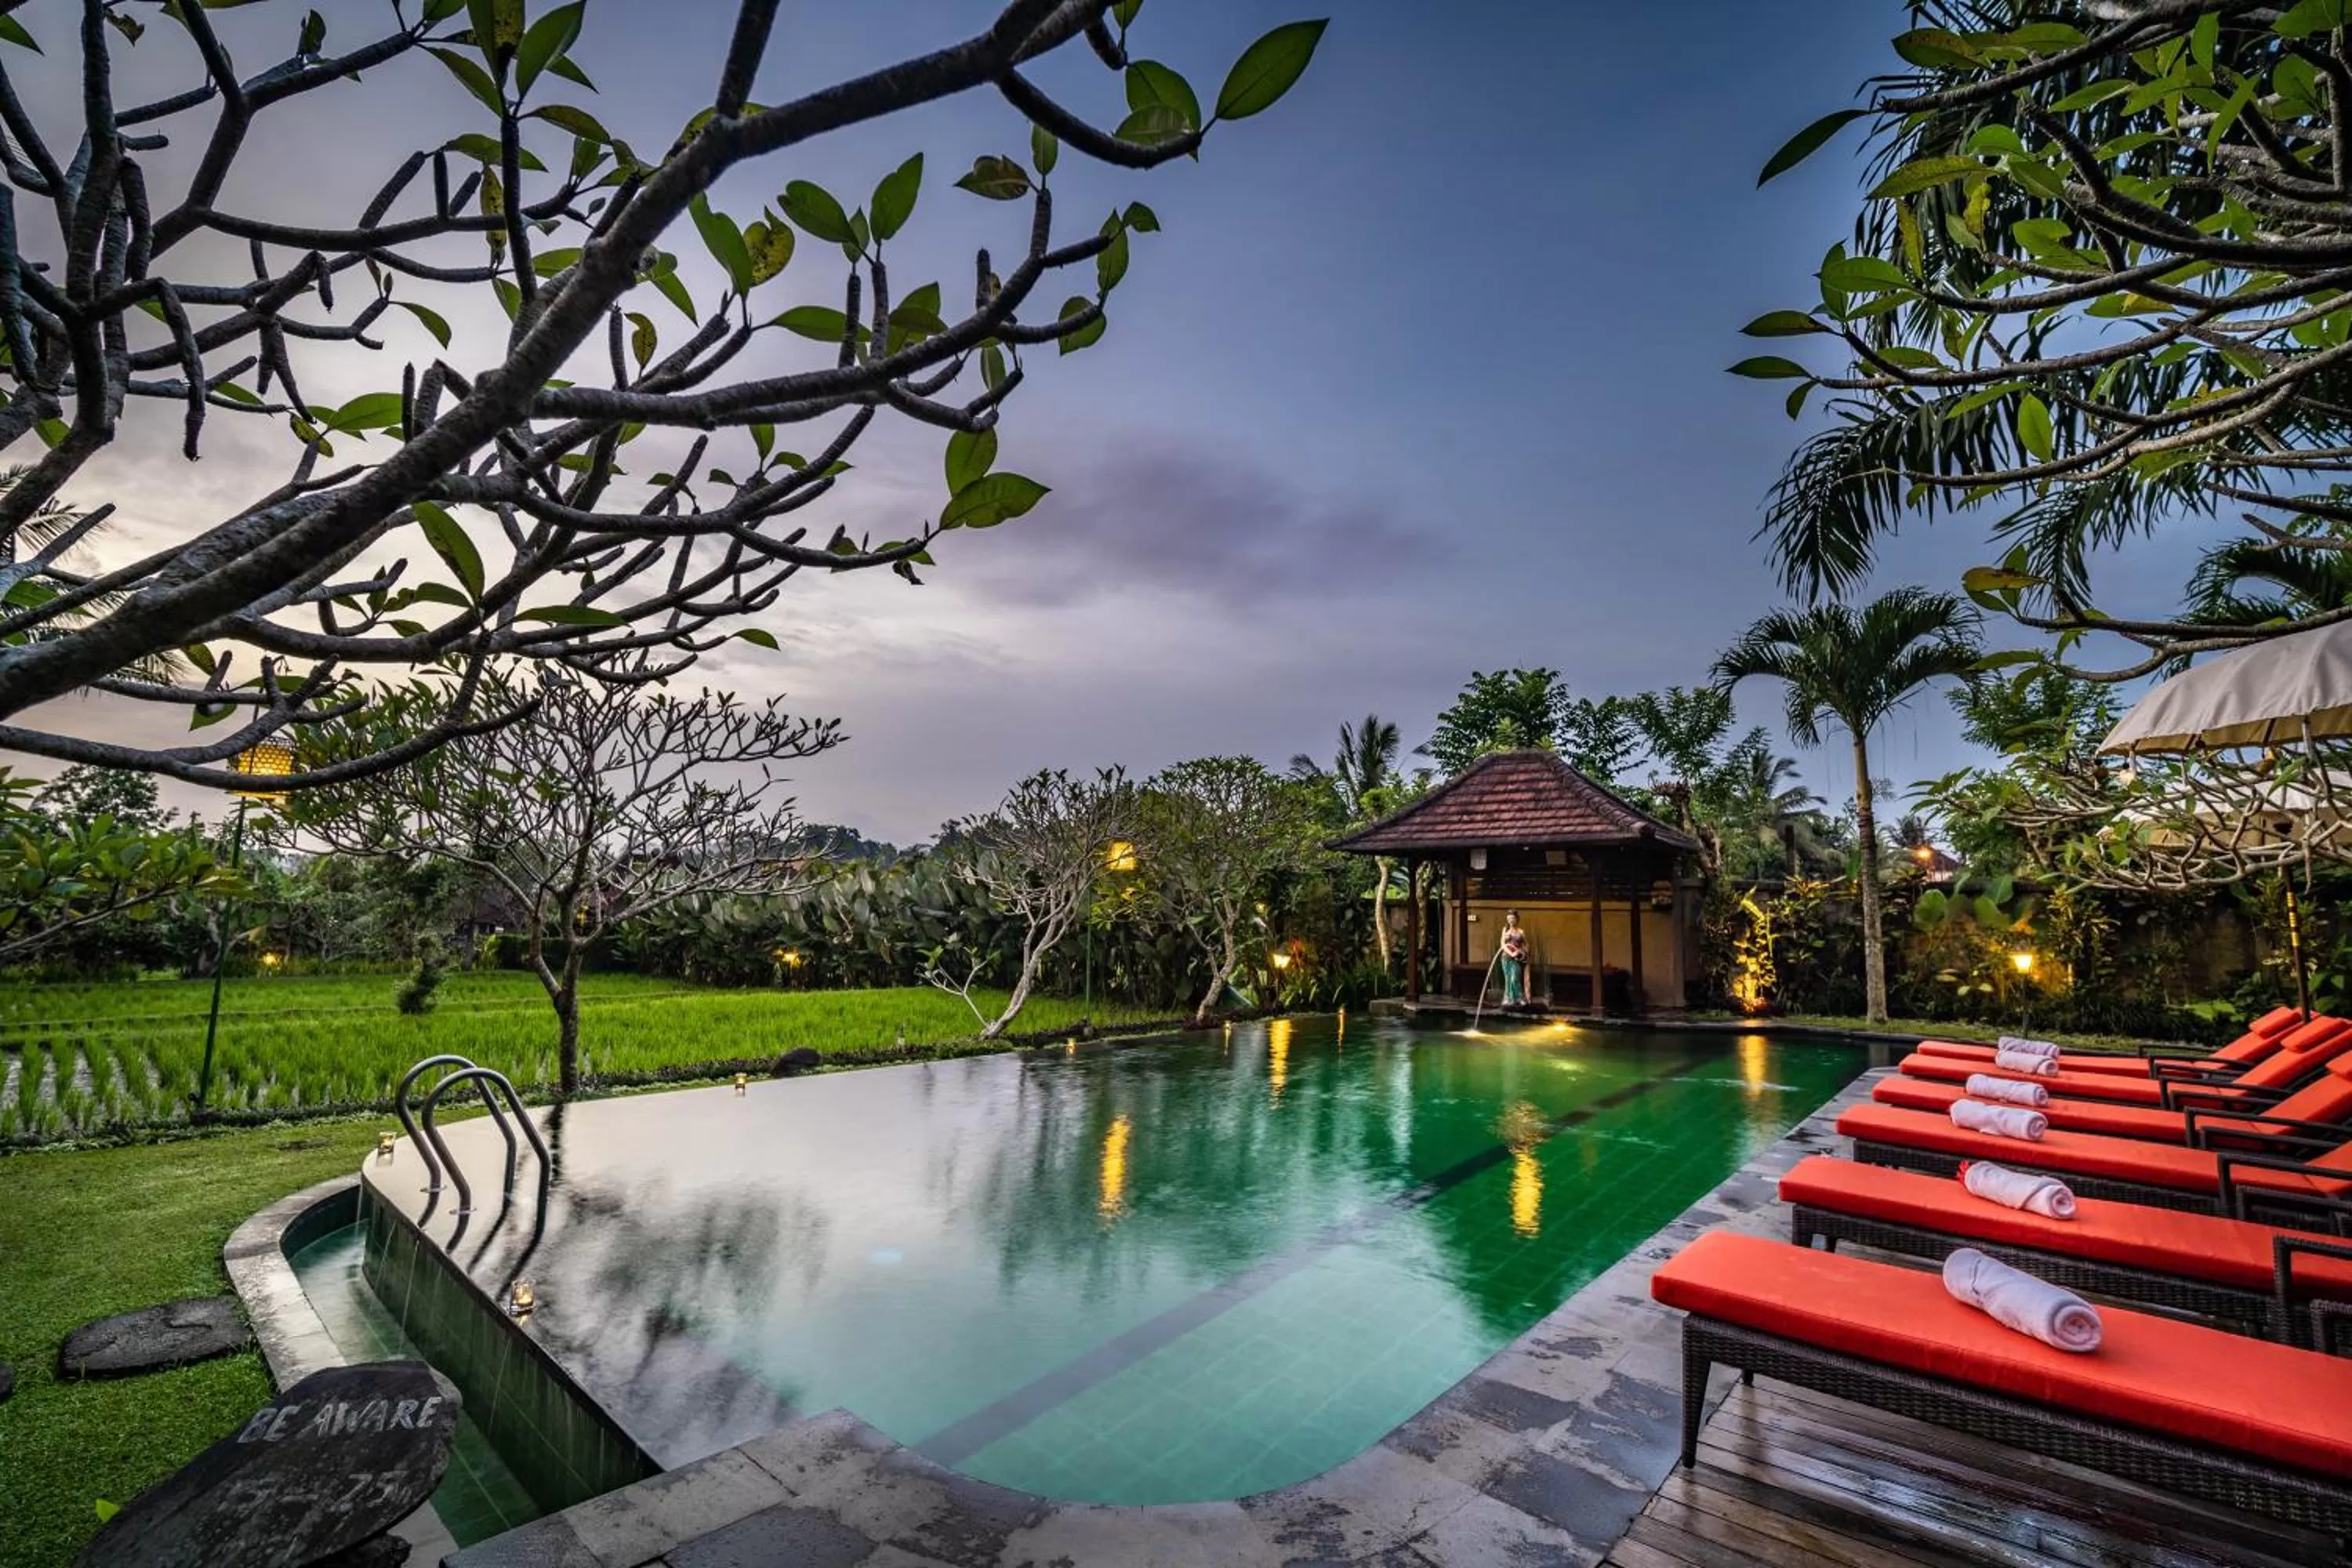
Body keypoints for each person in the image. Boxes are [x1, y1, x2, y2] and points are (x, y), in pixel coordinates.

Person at [1499, 910, 1530, 1007]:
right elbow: (1503, 944)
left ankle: (1519, 998)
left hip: (1517, 959)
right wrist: (1511, 953)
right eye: (1509, 919)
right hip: (1506, 958)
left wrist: (1522, 952)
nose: (1511, 920)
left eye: (1513, 918)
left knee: (1515, 978)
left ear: (1517, 919)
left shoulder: (1521, 931)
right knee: (1508, 979)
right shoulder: (1505, 930)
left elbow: (1526, 944)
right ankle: (1508, 999)